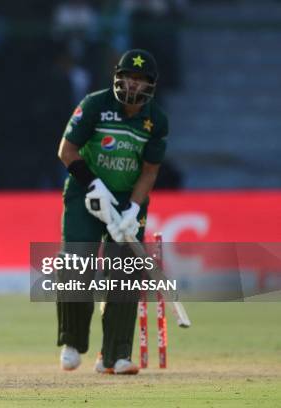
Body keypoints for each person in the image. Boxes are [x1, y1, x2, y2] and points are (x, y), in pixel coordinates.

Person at [55, 49, 168, 374]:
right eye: (128, 77)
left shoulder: (156, 120)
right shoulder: (95, 104)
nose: (133, 85)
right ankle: (73, 341)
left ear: (151, 85)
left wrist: (133, 209)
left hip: (127, 198)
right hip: (85, 192)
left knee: (126, 272)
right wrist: (94, 185)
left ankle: (115, 355)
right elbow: (66, 150)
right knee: (76, 261)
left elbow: (149, 170)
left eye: (140, 79)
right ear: (117, 78)